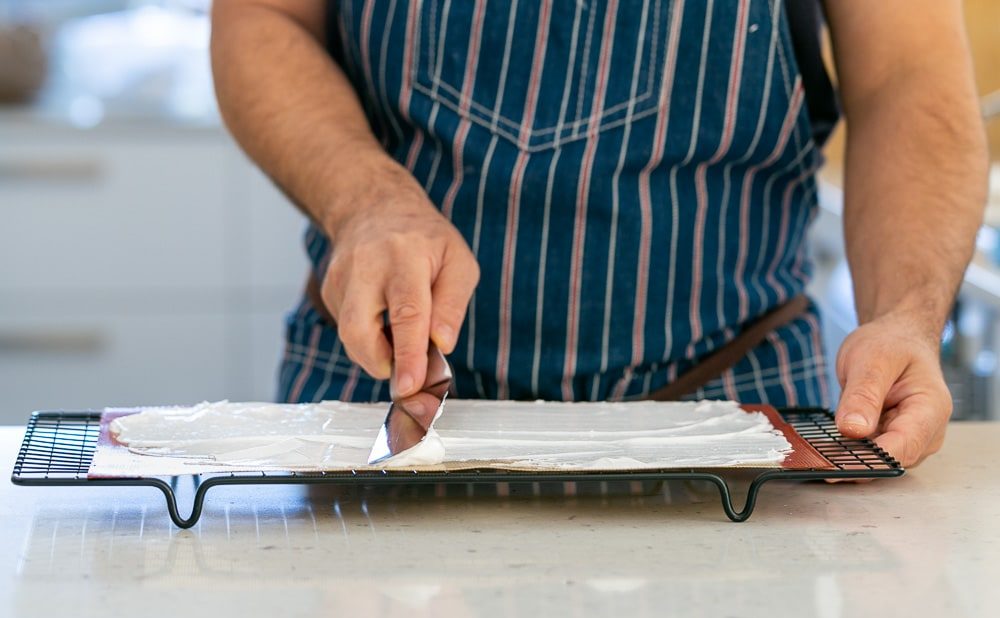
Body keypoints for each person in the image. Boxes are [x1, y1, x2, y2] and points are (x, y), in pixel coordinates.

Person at [210, 0, 988, 468]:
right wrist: (365, 199)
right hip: (378, 412)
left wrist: (905, 318)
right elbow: (260, 19)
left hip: (734, 433)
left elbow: (906, 79)